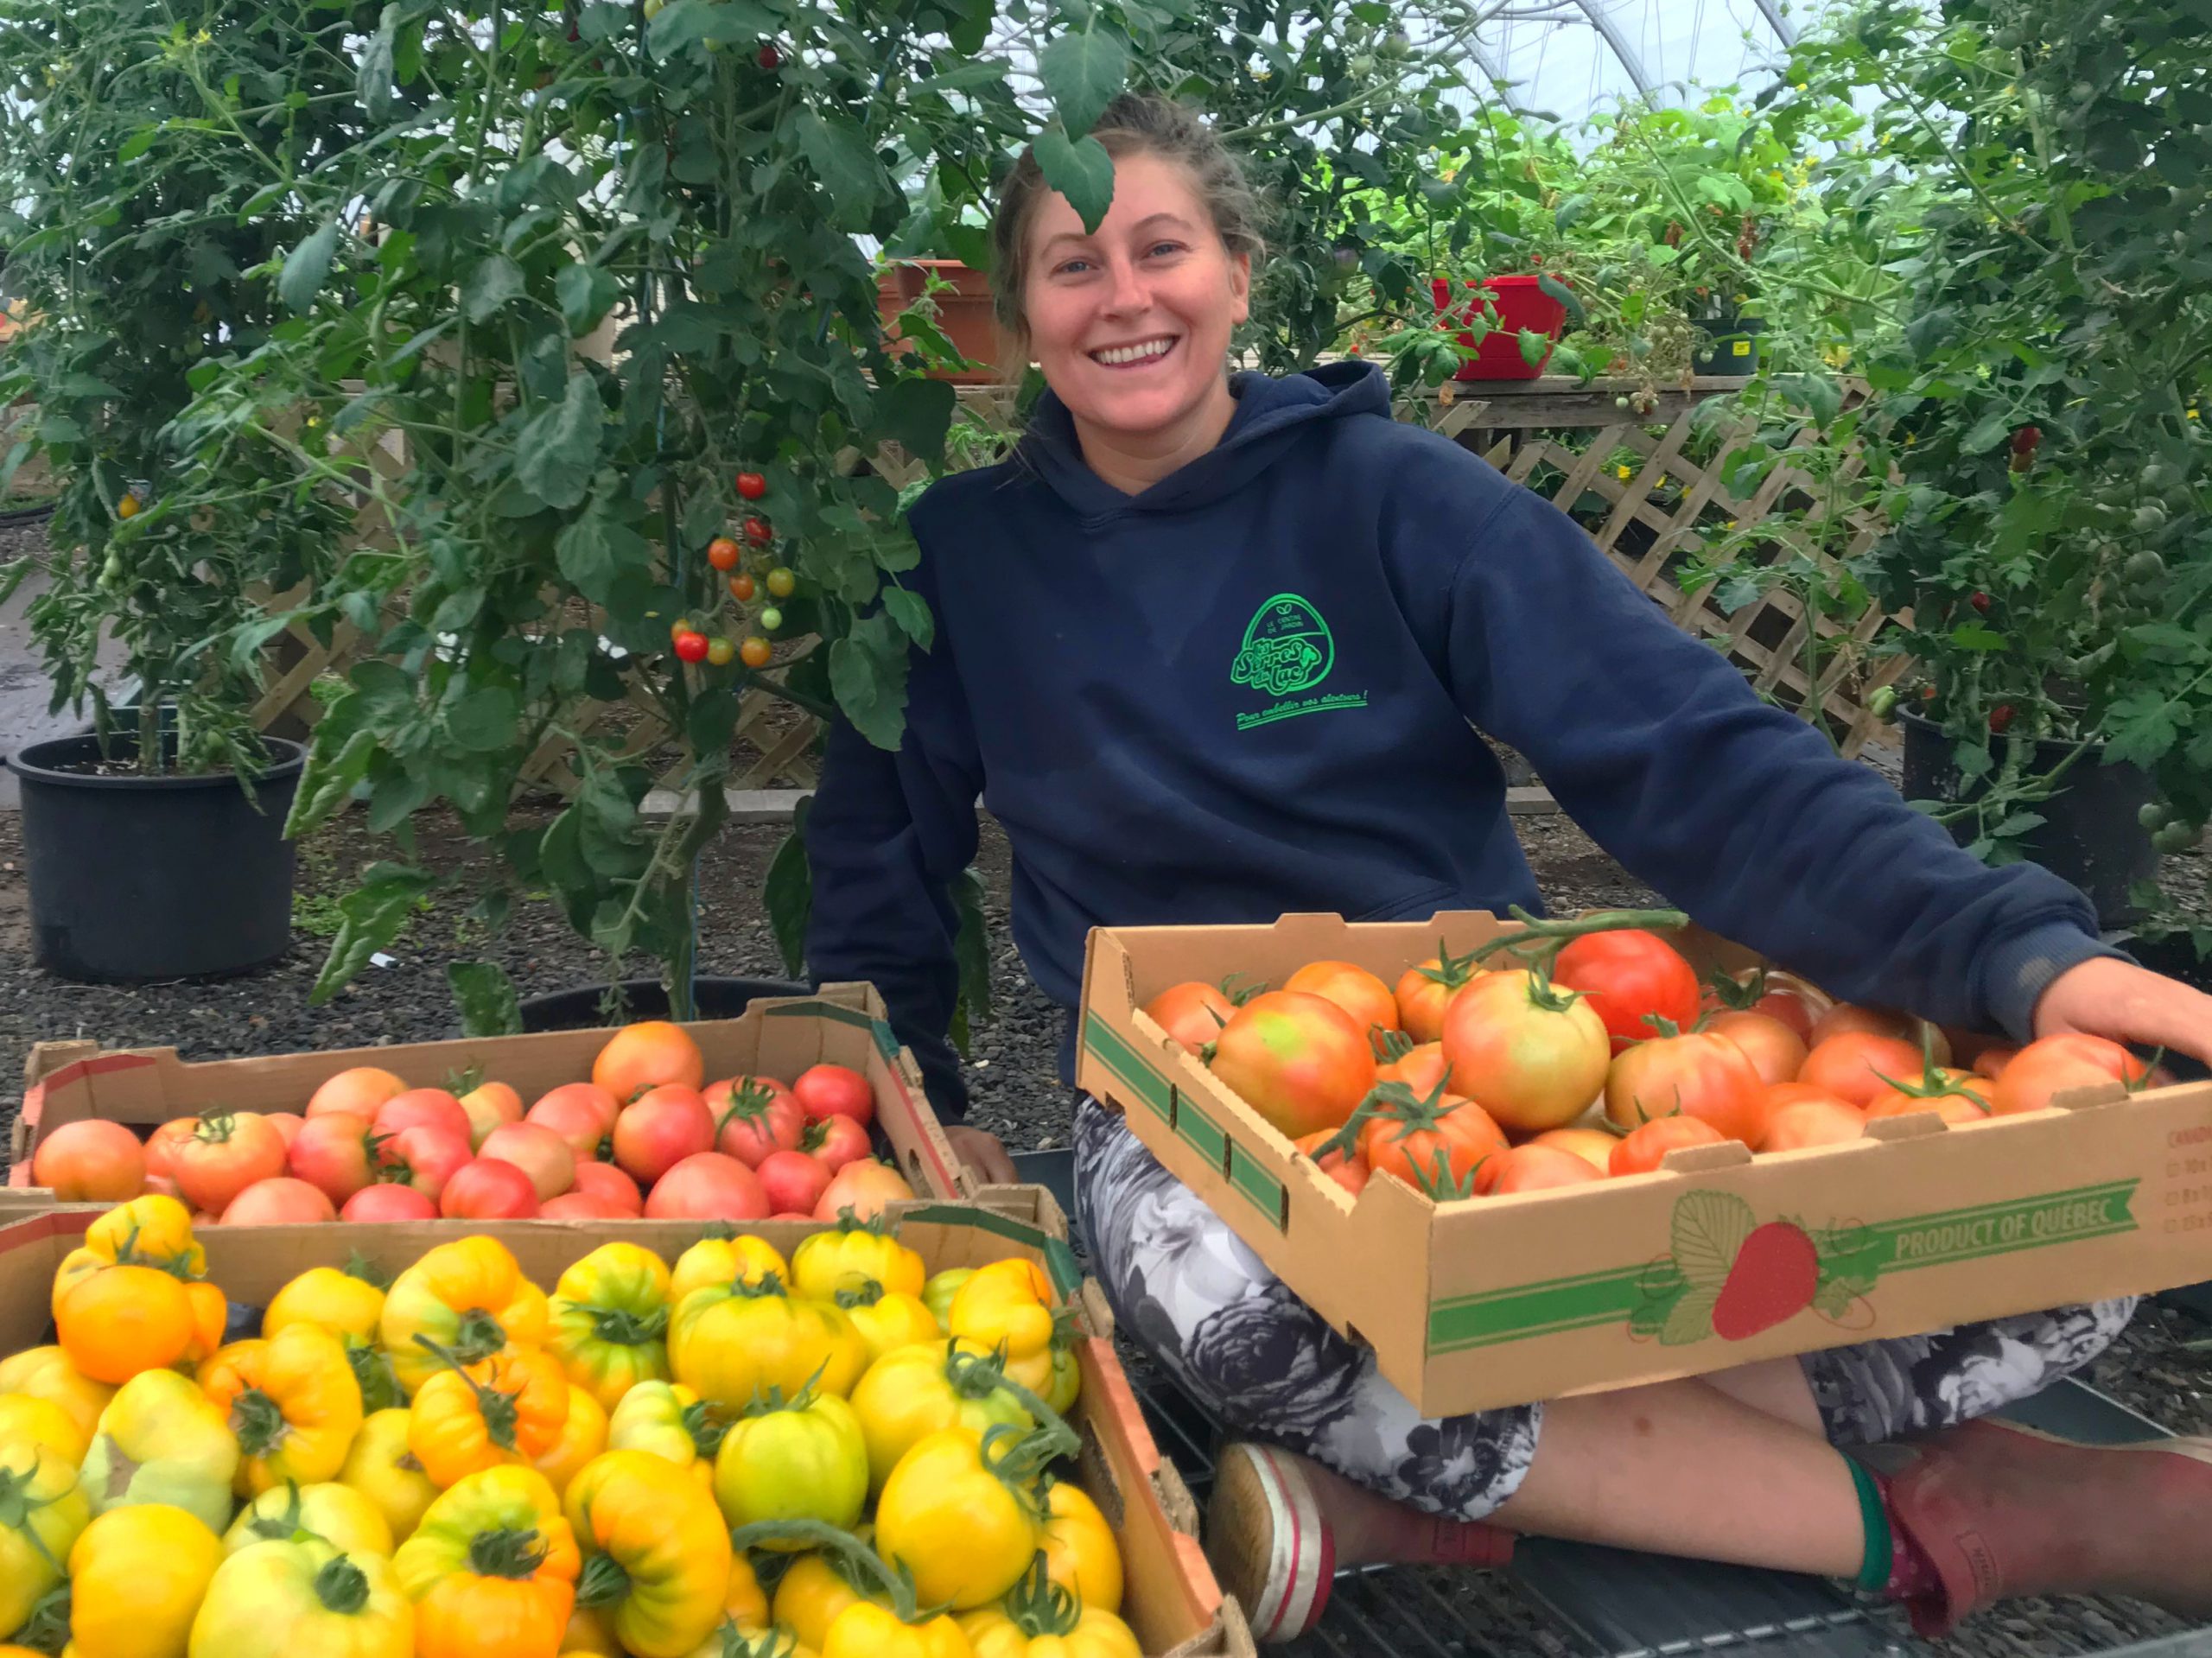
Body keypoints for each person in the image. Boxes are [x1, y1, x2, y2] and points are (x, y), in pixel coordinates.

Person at [803, 92, 2212, 1642]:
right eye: (1074, 267)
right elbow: (879, 853)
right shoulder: (951, 557)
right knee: (1247, 1324)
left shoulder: (1392, 497)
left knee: (2072, 1252)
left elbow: (1686, 749)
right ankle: (1955, 1521)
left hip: (1481, 1063)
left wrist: (2025, 956)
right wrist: (910, 1118)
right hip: (1173, 1091)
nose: (1126, 297)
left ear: (1240, 273)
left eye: (1164, 248)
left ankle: (1419, 1492)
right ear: (1021, 317)